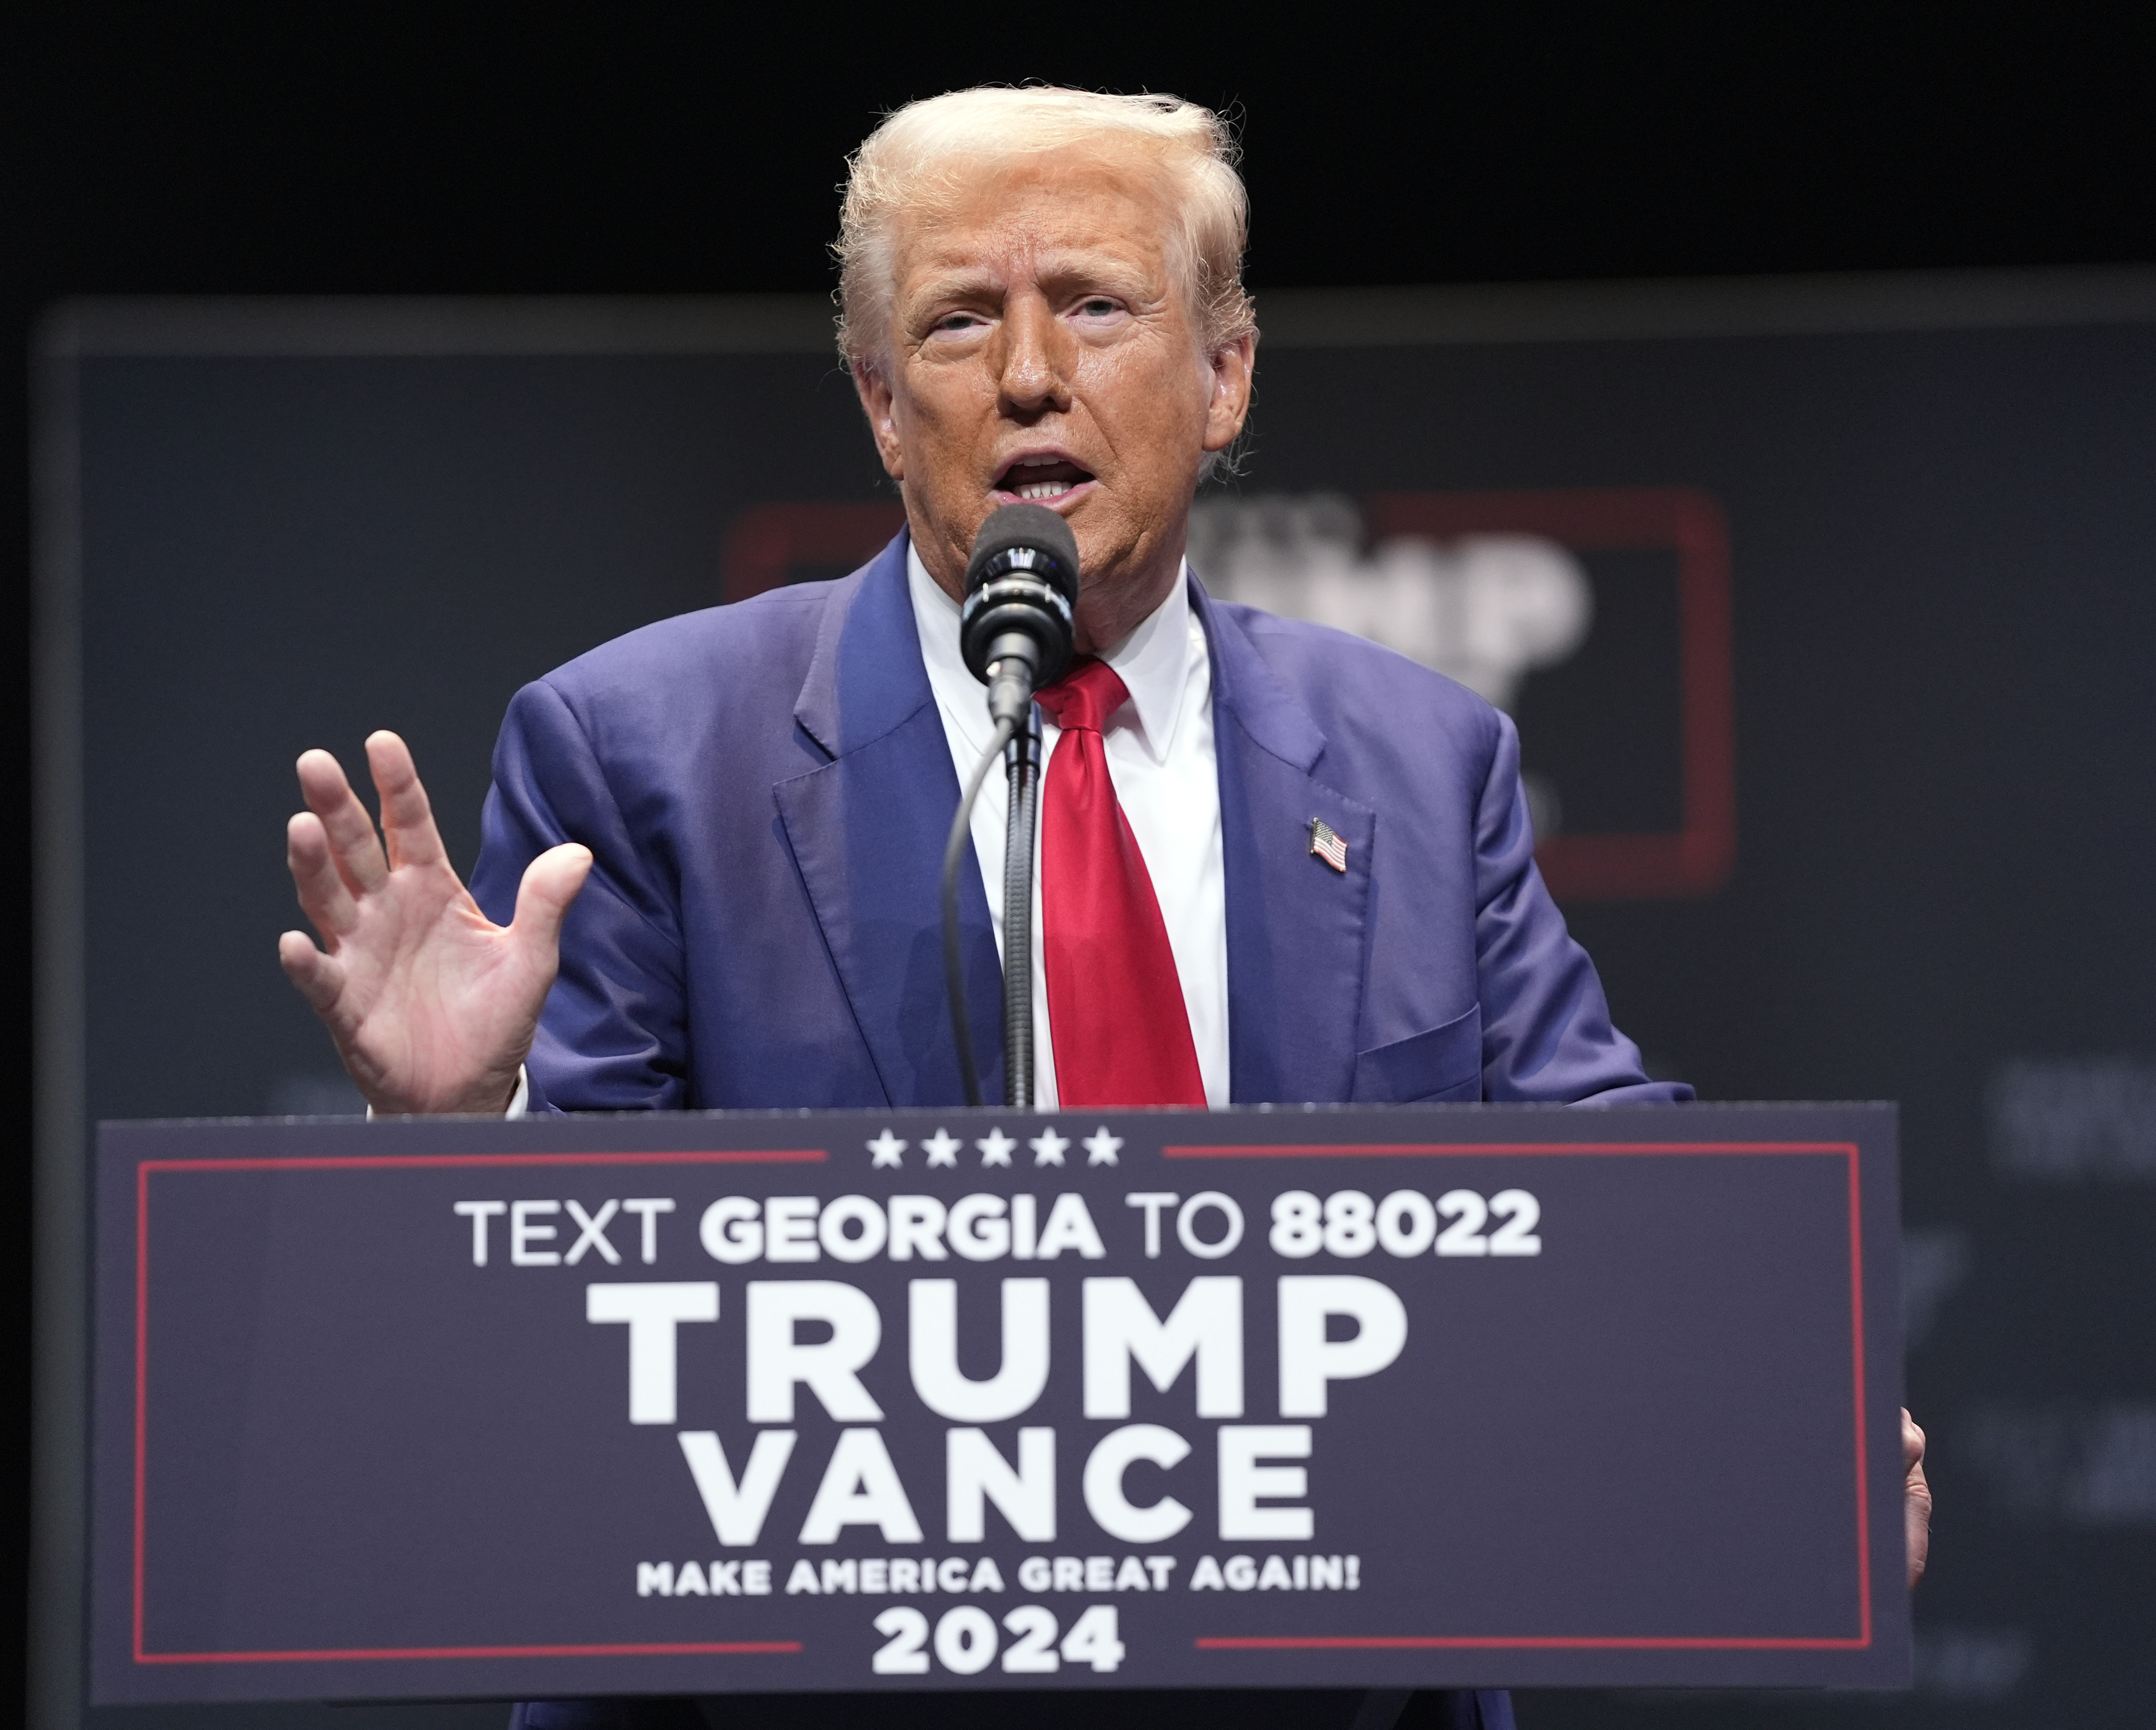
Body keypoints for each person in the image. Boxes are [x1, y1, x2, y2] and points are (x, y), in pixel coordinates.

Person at [278, 84, 1928, 1730]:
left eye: (1091, 304)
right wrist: (460, 1134)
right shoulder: (643, 748)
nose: (1025, 375)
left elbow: (1596, 1176)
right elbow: (577, 1375)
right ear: (875, 402)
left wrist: (1781, 1394)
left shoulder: (1422, 764)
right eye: (952, 324)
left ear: (1224, 376)